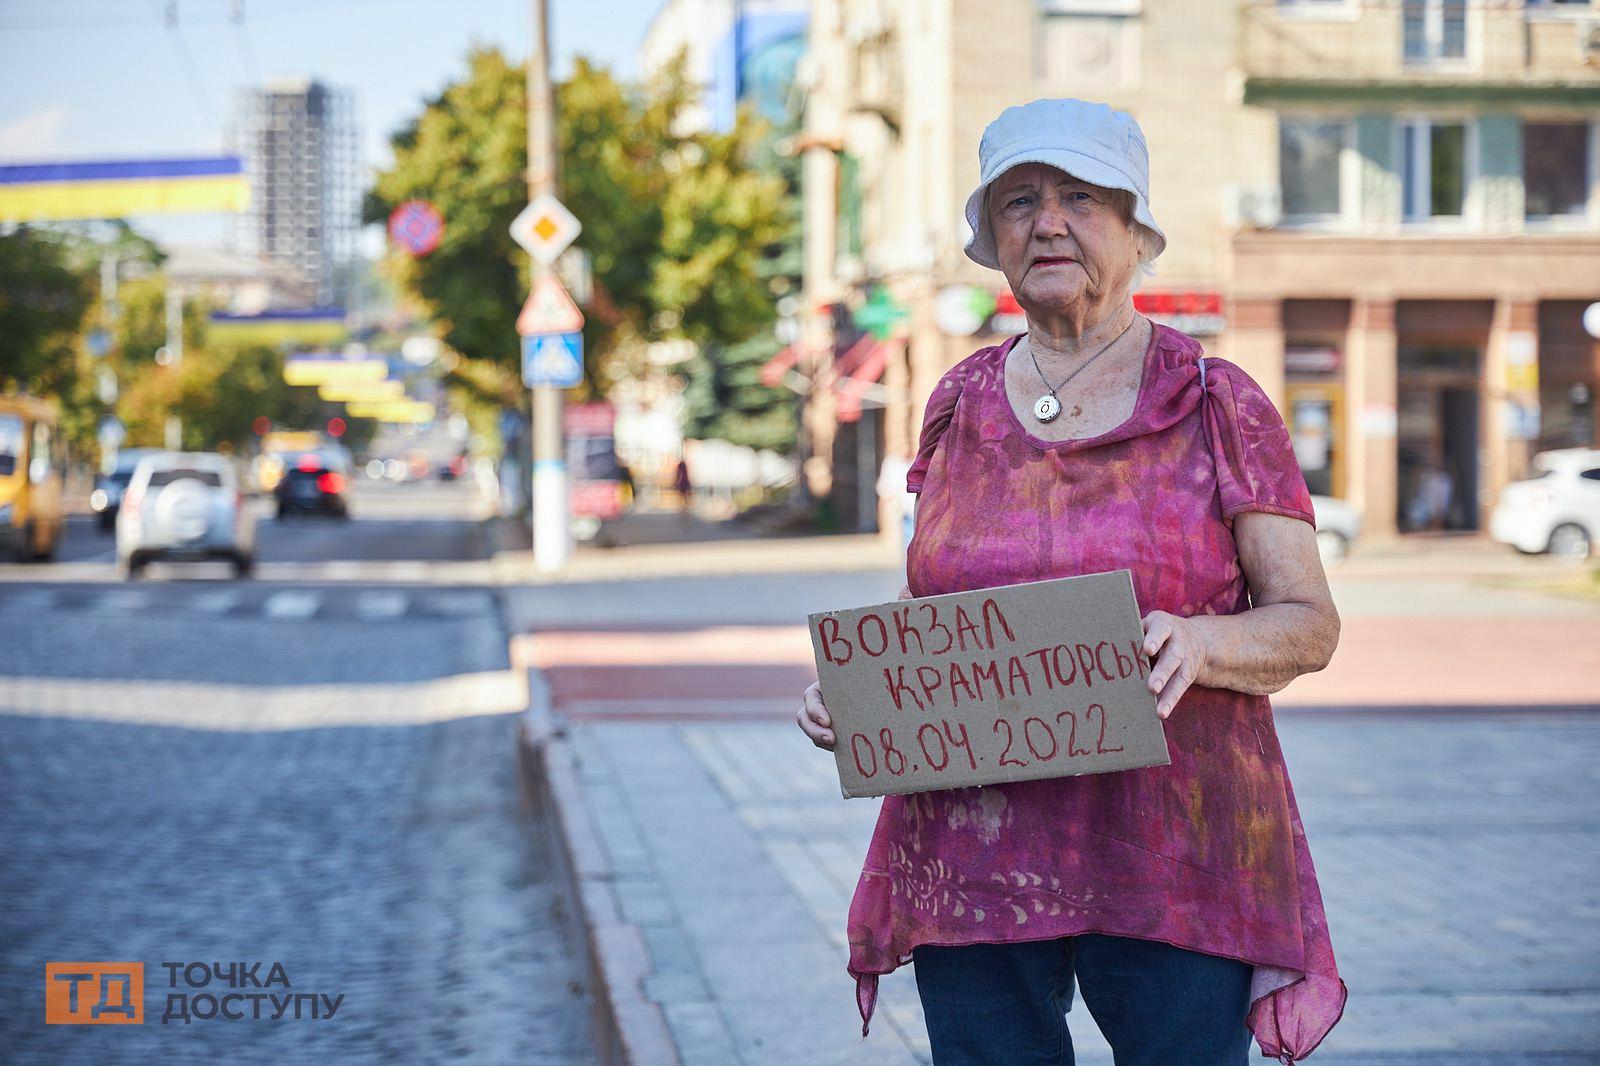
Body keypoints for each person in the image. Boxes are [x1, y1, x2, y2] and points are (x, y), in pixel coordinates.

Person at [796, 99, 1346, 1065]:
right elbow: (934, 612)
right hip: (975, 847)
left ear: (1136, 230)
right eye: (1018, 201)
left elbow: (1309, 624)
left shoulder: (1217, 401)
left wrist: (1207, 640)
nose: (1047, 221)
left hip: (1173, 845)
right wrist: (868, 692)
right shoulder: (959, 401)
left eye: (1080, 197)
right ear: (992, 239)